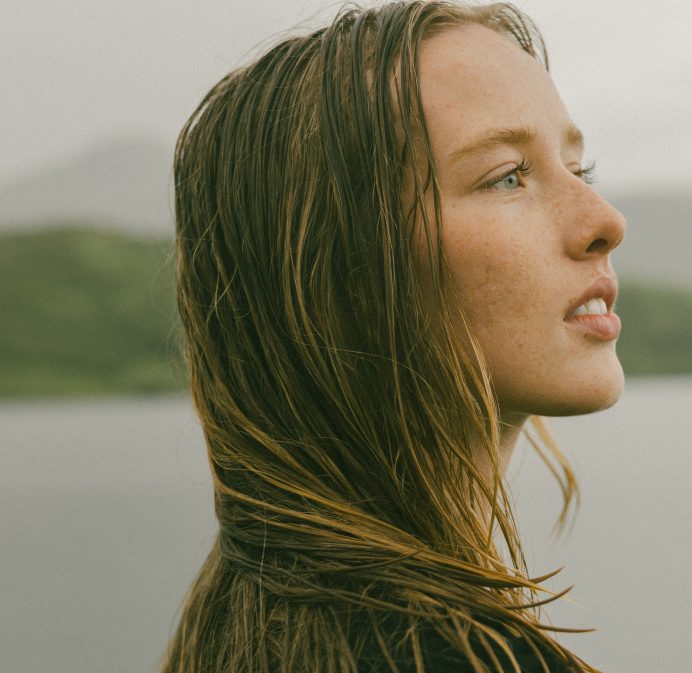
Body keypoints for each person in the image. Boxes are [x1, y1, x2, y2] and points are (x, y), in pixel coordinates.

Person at [161, 1, 626, 672]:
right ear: (338, 278)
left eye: (578, 169)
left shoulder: (245, 617)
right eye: (507, 177)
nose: (604, 220)